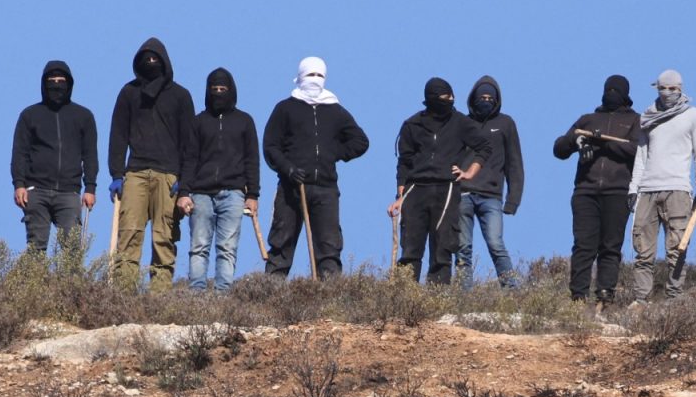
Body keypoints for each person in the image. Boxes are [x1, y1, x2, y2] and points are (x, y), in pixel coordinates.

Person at [262, 57, 369, 277]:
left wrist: (333, 153)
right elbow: (271, 146)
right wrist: (288, 169)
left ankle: (329, 294)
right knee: (282, 243)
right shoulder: (285, 108)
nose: (315, 79)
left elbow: (360, 141)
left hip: (326, 189)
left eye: (319, 75)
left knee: (329, 247)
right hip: (291, 189)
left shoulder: (335, 110)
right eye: (310, 74)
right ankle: (270, 292)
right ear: (300, 76)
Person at [108, 38, 195, 291]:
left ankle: (160, 297)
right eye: (146, 59)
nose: (151, 63)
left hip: (168, 176)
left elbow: (190, 144)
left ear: (165, 62)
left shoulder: (180, 96)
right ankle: (124, 295)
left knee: (164, 238)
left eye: (155, 59)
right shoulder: (129, 93)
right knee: (129, 234)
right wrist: (117, 174)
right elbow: (118, 135)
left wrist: (185, 183)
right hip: (135, 174)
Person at [389, 78, 492, 284]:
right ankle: (404, 296)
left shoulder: (460, 122)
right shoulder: (412, 124)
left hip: (446, 189)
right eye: (445, 97)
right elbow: (404, 162)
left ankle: (437, 299)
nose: (450, 100)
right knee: (410, 250)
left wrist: (470, 172)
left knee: (442, 250)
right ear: (431, 98)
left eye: (452, 96)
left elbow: (485, 147)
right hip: (415, 190)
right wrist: (400, 196)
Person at [555, 75, 639, 304]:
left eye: (616, 90)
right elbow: (559, 148)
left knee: (610, 247)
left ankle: (605, 296)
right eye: (608, 90)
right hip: (585, 191)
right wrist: (577, 142)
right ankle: (578, 297)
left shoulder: (635, 121)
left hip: (618, 192)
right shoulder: (588, 119)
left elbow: (638, 150)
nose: (611, 94)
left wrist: (606, 144)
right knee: (583, 246)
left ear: (625, 94)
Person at [629, 69, 696, 301]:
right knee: (643, 250)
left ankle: (674, 300)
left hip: (678, 189)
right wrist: (633, 188)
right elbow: (641, 156)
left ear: (680, 89)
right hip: (647, 190)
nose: (667, 92)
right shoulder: (648, 117)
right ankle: (641, 300)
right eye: (662, 88)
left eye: (672, 88)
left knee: (677, 248)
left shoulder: (693, 115)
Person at [177, 68, 260, 291]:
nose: (219, 93)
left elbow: (252, 160)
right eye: (214, 89)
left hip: (233, 194)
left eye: (223, 89)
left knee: (227, 248)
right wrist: (184, 192)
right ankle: (197, 295)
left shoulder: (244, 121)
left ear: (231, 90)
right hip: (201, 194)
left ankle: (223, 295)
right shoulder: (198, 122)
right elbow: (189, 159)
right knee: (199, 246)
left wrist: (253, 194)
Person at [10, 60, 98, 254]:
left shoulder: (83, 116)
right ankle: (33, 276)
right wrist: (19, 184)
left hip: (69, 192)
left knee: (71, 251)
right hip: (36, 191)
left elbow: (90, 154)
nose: (56, 84)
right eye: (52, 80)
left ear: (69, 83)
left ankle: (71, 277)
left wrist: (90, 187)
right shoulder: (30, 115)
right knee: (36, 248)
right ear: (44, 83)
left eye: (61, 80)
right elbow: (20, 152)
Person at [455, 76, 525, 288]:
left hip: (491, 196)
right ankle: (463, 295)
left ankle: (512, 291)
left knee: (496, 244)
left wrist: (513, 200)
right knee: (462, 248)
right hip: (462, 193)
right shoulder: (462, 123)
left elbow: (515, 163)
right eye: (481, 97)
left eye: (489, 98)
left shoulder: (506, 124)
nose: (485, 101)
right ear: (473, 99)